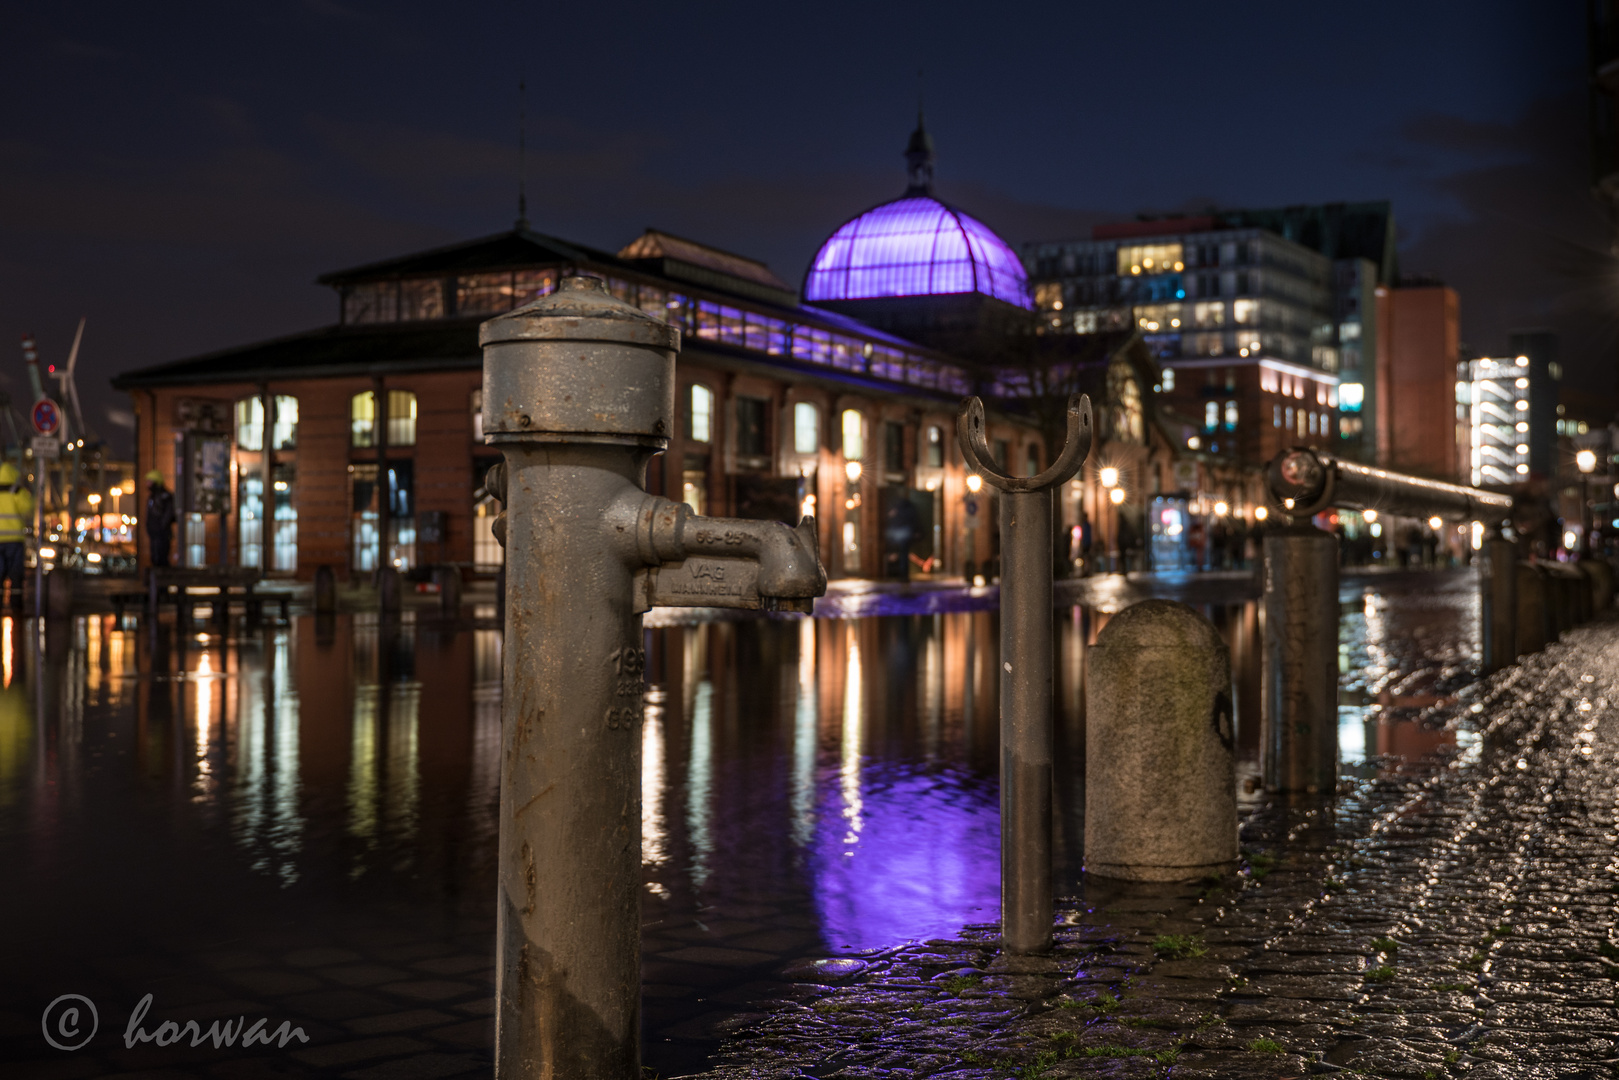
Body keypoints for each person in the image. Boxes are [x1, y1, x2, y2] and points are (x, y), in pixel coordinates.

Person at [0, 462, 33, 609]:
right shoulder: (17, 491)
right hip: (14, 540)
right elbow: (28, 508)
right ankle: (16, 606)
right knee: (16, 575)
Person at [145, 469, 177, 568]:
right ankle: (159, 581)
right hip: (155, 532)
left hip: (162, 533)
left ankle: (163, 581)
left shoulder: (165, 496)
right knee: (155, 557)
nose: (147, 484)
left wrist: (161, 527)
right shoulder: (153, 497)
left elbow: (168, 513)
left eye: (149, 481)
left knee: (161, 557)